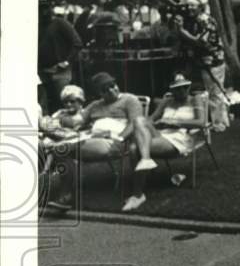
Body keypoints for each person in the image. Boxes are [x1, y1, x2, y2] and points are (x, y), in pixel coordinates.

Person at [47, 72, 159, 213]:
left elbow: (134, 124)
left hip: (114, 140)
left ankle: (66, 196)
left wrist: (118, 137)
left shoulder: (129, 100)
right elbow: (76, 121)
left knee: (62, 148)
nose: (111, 90)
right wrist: (58, 118)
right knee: (60, 149)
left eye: (112, 86)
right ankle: (66, 195)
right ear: (99, 93)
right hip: (92, 138)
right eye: (105, 89)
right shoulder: (95, 106)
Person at [175, 3, 230, 133]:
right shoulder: (196, 20)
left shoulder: (205, 19)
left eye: (193, 6)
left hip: (213, 60)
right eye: (188, 6)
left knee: (215, 92)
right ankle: (221, 120)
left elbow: (200, 41)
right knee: (213, 91)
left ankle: (219, 123)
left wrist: (182, 30)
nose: (189, 8)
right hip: (207, 60)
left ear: (200, 7)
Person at [147, 72, 209, 185]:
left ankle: (139, 187)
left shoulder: (195, 99)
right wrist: (156, 124)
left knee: (135, 147)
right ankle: (140, 184)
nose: (182, 91)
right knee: (136, 142)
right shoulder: (166, 101)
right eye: (178, 88)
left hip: (181, 137)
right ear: (171, 89)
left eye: (185, 87)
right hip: (161, 134)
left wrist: (173, 123)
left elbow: (201, 122)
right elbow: (151, 119)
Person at [38, 0, 82, 113]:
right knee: (44, 104)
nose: (43, 12)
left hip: (60, 71)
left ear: (50, 8)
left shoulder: (60, 23)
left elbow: (77, 43)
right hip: (42, 71)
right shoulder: (37, 25)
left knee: (66, 101)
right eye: (40, 8)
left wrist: (67, 61)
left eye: (46, 8)